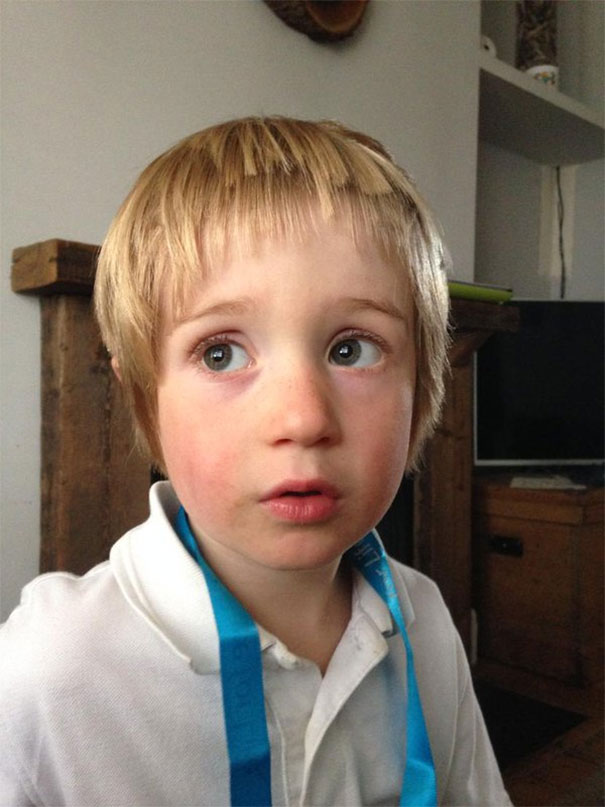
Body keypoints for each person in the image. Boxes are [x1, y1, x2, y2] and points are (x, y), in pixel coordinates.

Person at [0, 117, 511, 806]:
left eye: (352, 349)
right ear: (146, 400)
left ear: (419, 390)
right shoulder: (48, 674)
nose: (302, 418)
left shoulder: (425, 619)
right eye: (221, 353)